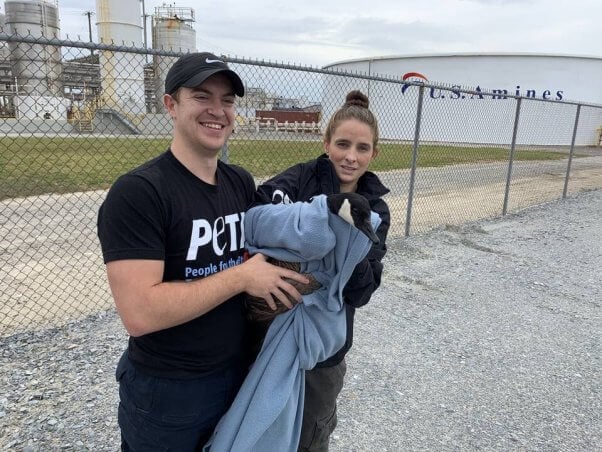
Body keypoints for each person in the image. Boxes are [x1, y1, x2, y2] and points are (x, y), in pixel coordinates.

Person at [96, 52, 310, 451]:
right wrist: (241, 277)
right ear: (171, 105)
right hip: (170, 391)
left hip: (239, 372)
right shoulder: (140, 192)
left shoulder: (239, 183)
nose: (218, 111)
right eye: (201, 96)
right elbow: (140, 312)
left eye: (227, 100)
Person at [254, 90, 391, 451]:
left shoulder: (375, 211)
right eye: (342, 144)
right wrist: (316, 222)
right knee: (259, 424)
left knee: (310, 435)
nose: (350, 156)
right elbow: (257, 213)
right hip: (268, 330)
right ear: (327, 143)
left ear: (374, 153)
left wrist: (353, 248)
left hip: (323, 348)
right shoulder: (300, 180)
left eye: (362, 148)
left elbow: (362, 292)